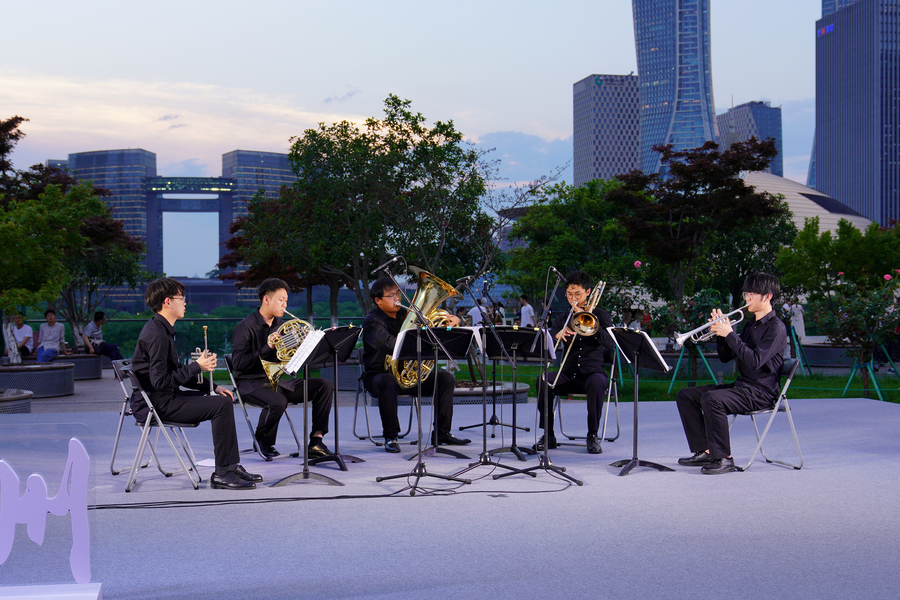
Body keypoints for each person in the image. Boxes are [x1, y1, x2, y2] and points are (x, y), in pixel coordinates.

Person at [130, 277, 261, 490]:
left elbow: (172, 373)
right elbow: (161, 382)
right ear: (167, 302)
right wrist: (196, 366)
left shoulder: (161, 329)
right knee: (221, 405)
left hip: (162, 398)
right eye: (181, 298)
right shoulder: (157, 335)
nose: (185, 302)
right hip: (156, 404)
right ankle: (223, 472)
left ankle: (230, 466)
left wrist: (213, 387)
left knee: (222, 400)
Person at [675, 272, 786, 475]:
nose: (747, 298)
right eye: (746, 293)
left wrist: (730, 334)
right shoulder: (750, 325)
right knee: (686, 395)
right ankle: (706, 451)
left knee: (712, 399)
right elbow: (726, 357)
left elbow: (755, 362)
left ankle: (724, 458)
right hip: (742, 387)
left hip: (761, 393)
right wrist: (720, 333)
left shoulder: (776, 328)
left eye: (752, 294)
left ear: (768, 296)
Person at [361, 276, 470, 452]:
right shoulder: (372, 321)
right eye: (391, 295)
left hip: (407, 375)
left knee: (446, 379)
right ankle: (391, 436)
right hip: (378, 375)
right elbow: (390, 345)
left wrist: (450, 324)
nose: (397, 298)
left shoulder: (407, 316)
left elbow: (432, 338)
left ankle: (442, 433)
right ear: (378, 301)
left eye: (398, 294)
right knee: (388, 381)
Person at [231, 278, 334, 459]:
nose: (285, 304)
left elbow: (290, 358)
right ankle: (263, 441)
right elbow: (238, 363)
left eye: (286, 300)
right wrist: (267, 347)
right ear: (266, 299)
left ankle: (316, 441)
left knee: (324, 385)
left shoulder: (281, 326)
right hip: (251, 383)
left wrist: (310, 344)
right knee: (278, 400)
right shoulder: (245, 327)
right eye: (281, 300)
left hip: (278, 382)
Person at [535, 270, 614, 454]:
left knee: (597, 383)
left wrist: (591, 326)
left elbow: (611, 343)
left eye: (577, 294)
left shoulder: (601, 315)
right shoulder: (563, 318)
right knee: (543, 380)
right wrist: (556, 335)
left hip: (592, 373)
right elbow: (548, 345)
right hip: (568, 373)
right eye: (569, 295)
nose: (573, 299)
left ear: (588, 292)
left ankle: (592, 435)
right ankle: (548, 434)